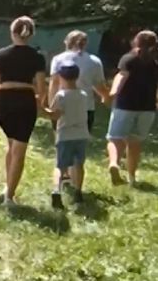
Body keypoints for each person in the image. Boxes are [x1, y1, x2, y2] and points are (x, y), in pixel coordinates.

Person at [0, 16, 46, 207]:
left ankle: (8, 188)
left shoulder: (1, 55)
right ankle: (9, 197)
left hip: (4, 102)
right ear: (31, 34)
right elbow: (42, 88)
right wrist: (40, 103)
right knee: (19, 150)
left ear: (12, 33)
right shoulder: (37, 57)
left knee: (11, 145)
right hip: (25, 101)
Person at [48, 30, 109, 183]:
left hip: (63, 105)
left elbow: (54, 83)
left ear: (66, 42)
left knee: (62, 141)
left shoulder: (58, 59)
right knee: (79, 142)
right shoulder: (94, 61)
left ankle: (63, 174)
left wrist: (51, 105)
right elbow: (100, 86)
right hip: (85, 107)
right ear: (85, 44)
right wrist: (106, 97)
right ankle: (76, 178)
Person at [105, 30, 158, 186]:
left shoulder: (129, 58)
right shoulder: (155, 64)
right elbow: (154, 87)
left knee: (115, 138)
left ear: (137, 41)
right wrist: (157, 100)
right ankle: (132, 178)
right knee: (135, 143)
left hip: (125, 107)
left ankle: (114, 163)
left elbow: (122, 76)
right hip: (147, 110)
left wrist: (113, 92)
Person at [44, 62, 90, 209]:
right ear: (77, 77)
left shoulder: (61, 95)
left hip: (65, 134)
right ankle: (78, 192)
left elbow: (54, 115)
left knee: (60, 166)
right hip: (81, 134)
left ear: (61, 77)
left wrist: (42, 108)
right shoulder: (83, 95)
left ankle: (56, 192)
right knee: (79, 164)